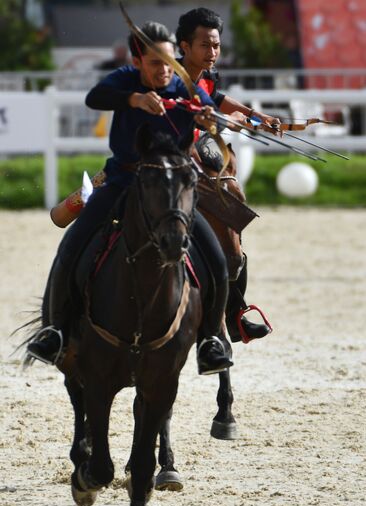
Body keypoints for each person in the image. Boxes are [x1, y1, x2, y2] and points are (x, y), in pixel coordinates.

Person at [27, 21, 233, 375]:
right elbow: (95, 98)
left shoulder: (185, 84)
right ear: (137, 62)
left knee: (216, 258)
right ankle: (55, 330)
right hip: (123, 182)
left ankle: (211, 339)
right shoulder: (124, 79)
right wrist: (134, 99)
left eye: (169, 62)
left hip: (172, 191)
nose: (165, 71)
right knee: (71, 247)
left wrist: (208, 119)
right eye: (155, 64)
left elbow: (213, 119)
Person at [176, 7, 277, 343]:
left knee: (233, 240)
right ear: (184, 46)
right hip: (166, 155)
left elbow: (216, 100)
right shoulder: (170, 77)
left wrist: (254, 115)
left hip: (196, 153)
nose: (213, 52)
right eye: (205, 45)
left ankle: (234, 314)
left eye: (216, 45)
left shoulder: (207, 74)